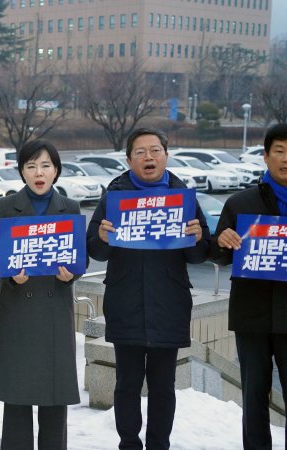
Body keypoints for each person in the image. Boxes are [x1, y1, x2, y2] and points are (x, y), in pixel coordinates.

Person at [210, 123, 287, 450]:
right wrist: (221, 241)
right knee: (253, 400)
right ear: (265, 156)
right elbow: (219, 256)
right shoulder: (239, 204)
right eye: (279, 151)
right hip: (252, 317)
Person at [86, 127, 210, 450]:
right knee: (126, 384)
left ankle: (159, 445)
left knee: (162, 387)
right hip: (126, 303)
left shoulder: (183, 197)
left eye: (155, 150)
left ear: (166, 155)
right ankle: (128, 444)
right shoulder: (115, 196)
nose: (148, 157)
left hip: (168, 305)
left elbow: (199, 255)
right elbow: (94, 250)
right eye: (140, 152)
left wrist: (198, 238)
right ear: (129, 160)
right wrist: (100, 236)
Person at [0, 140, 85, 450]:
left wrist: (73, 273)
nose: (38, 172)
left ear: (56, 170)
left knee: (54, 402)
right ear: (21, 172)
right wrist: (8, 271)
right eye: (30, 166)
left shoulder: (69, 208)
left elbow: (79, 256)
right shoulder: (6, 207)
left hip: (54, 311)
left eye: (45, 165)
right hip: (18, 312)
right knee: (17, 401)